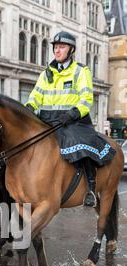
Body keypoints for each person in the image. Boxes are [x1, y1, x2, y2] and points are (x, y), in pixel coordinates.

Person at [26, 31, 115, 208]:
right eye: (55, 47)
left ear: (71, 50)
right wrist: (28, 109)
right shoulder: (46, 74)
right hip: (46, 121)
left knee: (80, 144)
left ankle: (90, 187)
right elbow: (35, 96)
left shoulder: (81, 71)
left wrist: (73, 113)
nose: (57, 51)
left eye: (62, 47)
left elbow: (86, 99)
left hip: (73, 120)